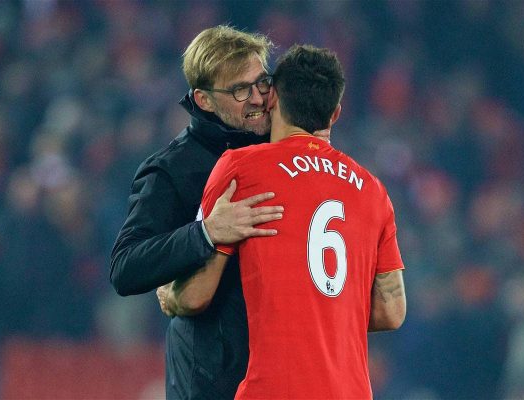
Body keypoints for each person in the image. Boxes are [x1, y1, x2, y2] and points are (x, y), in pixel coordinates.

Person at [161, 45, 407, 399]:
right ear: (334, 113)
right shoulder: (372, 190)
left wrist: (169, 293)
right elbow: (392, 311)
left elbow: (197, 295)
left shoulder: (241, 168)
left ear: (271, 97)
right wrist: (324, 310)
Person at [110, 26, 290, 399]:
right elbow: (125, 267)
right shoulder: (172, 169)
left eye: (262, 82)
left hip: (278, 372)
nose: (258, 98)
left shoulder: (285, 150)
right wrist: (206, 232)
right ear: (204, 100)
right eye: (240, 90)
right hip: (210, 382)